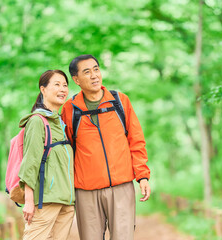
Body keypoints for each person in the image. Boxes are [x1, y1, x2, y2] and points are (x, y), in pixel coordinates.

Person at [61, 54, 151, 240]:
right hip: (86, 191)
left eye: (96, 69)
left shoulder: (120, 101)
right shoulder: (70, 109)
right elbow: (65, 151)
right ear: (76, 80)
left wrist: (142, 176)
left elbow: (136, 141)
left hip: (121, 186)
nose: (94, 75)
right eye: (87, 72)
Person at [18, 69, 75, 240]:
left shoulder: (60, 123)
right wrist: (28, 202)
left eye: (65, 85)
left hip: (66, 203)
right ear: (43, 89)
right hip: (45, 202)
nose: (62, 89)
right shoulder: (37, 121)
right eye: (56, 84)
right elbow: (31, 162)